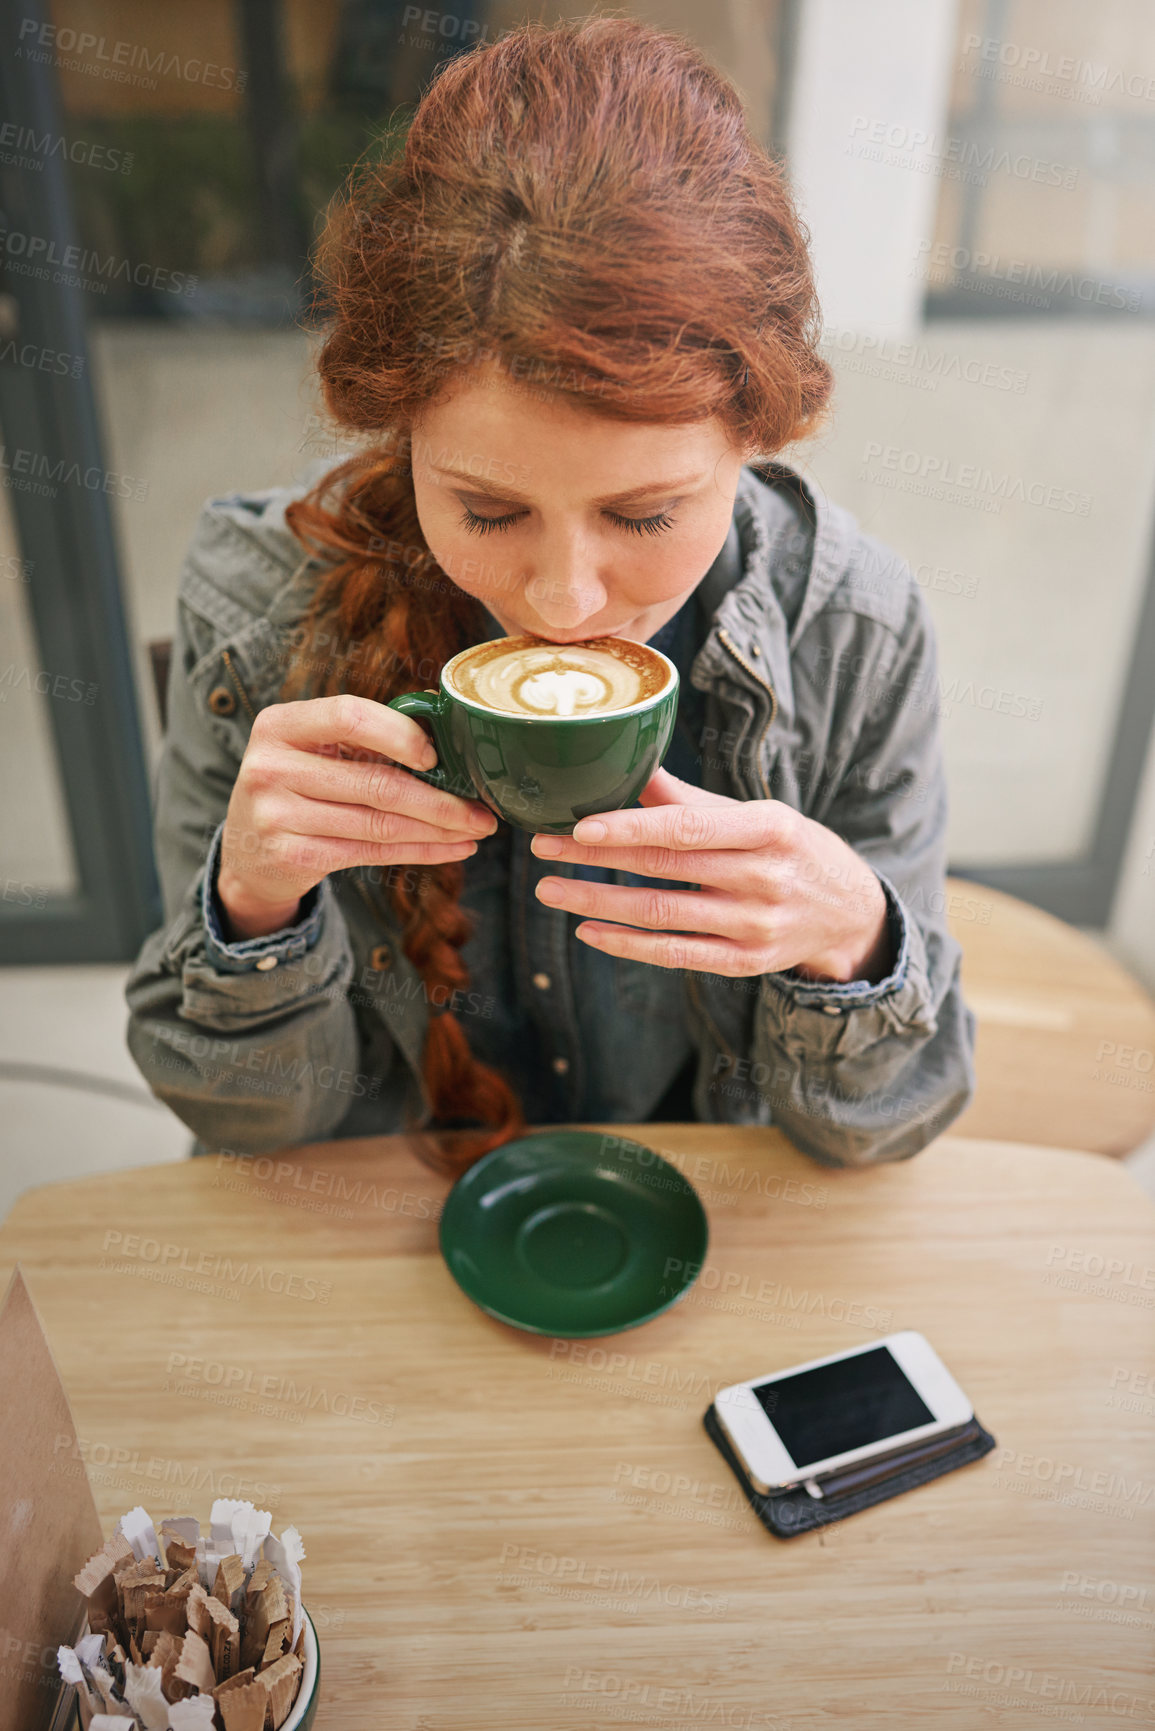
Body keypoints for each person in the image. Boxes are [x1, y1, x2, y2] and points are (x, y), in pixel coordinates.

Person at [125, 15, 976, 1176]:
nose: (564, 604)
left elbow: (883, 1130)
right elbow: (243, 1129)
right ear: (401, 428)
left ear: (760, 439)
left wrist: (856, 942)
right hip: (372, 1232)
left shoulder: (853, 633)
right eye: (486, 512)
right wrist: (254, 912)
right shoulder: (261, 605)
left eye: (642, 516)